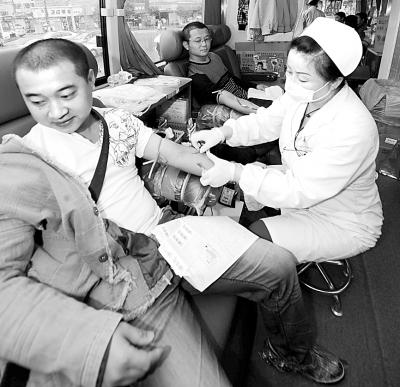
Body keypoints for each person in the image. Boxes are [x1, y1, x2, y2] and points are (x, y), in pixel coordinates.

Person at [0, 38, 345, 386]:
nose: (56, 111)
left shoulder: (116, 122)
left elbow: (172, 153)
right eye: (37, 101)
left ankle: (290, 354)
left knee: (279, 265)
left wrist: (232, 173)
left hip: (167, 231)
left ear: (90, 80)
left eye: (66, 94)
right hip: (125, 272)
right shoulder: (27, 161)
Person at [191, 18, 383, 266]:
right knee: (246, 199)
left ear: (335, 81)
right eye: (289, 71)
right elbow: (265, 122)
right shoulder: (304, 96)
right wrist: (223, 132)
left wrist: (234, 171)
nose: (290, 83)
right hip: (303, 188)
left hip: (340, 218)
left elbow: (299, 189)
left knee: (254, 242)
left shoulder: (353, 128)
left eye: (302, 78)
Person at [183, 21, 266, 116]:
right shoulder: (196, 75)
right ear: (186, 45)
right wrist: (262, 112)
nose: (204, 44)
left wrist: (255, 86)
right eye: (198, 41)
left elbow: (231, 79)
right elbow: (228, 98)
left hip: (248, 97)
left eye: (207, 39)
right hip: (236, 110)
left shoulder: (213, 56)